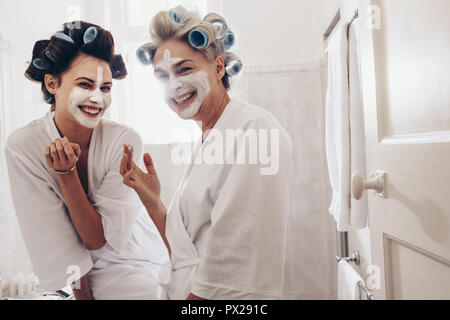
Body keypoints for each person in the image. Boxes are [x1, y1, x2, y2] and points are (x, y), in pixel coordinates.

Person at [121, 6, 293, 300]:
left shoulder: (254, 130)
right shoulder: (210, 136)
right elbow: (185, 251)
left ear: (217, 67)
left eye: (184, 69)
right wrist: (151, 200)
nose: (173, 86)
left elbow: (235, 269)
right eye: (162, 76)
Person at [5, 21, 169, 300]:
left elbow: (98, 238)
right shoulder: (24, 145)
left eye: (105, 88)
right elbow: (49, 233)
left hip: (135, 257)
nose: (97, 97)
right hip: (77, 270)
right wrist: (82, 295)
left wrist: (66, 174)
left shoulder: (124, 140)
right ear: (52, 83)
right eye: (85, 84)